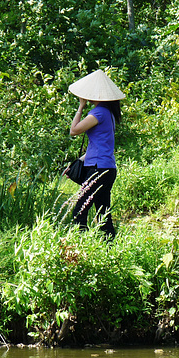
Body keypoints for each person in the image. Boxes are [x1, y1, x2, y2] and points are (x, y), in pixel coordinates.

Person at [67, 70, 125, 240]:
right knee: (103, 214)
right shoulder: (109, 113)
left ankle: (81, 246)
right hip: (106, 168)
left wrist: (81, 106)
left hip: (98, 169)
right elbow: (99, 145)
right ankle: (109, 248)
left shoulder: (98, 113)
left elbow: (74, 131)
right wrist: (77, 163)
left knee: (80, 210)